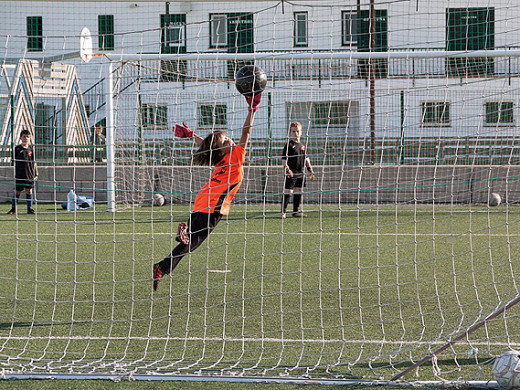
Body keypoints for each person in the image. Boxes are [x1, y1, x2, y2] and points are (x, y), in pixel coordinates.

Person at [152, 92, 262, 291]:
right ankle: (163, 263)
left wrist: (192, 134)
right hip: (213, 207)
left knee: (190, 242)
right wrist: (251, 110)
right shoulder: (235, 155)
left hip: (202, 202)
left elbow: (207, 147)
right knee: (192, 243)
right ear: (221, 150)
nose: (230, 140)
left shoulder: (219, 158)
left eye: (228, 138)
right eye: (225, 140)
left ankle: (171, 253)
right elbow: (246, 132)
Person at [281, 121, 315, 218]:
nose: (296, 133)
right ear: (290, 133)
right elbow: (284, 159)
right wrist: (287, 169)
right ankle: (283, 211)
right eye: (293, 131)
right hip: (291, 173)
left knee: (299, 190)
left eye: (297, 131)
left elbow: (306, 159)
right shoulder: (289, 145)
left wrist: (310, 170)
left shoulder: (302, 146)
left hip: (301, 173)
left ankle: (296, 211)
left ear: (301, 132)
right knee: (288, 191)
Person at [8, 129, 38, 215]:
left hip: (29, 174)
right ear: (20, 138)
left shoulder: (31, 149)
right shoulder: (17, 149)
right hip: (20, 174)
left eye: (27, 137)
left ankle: (30, 208)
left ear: (30, 138)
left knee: (29, 191)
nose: (26, 138)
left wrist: (36, 172)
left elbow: (34, 162)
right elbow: (13, 161)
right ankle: (13, 209)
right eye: (24, 136)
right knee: (17, 191)